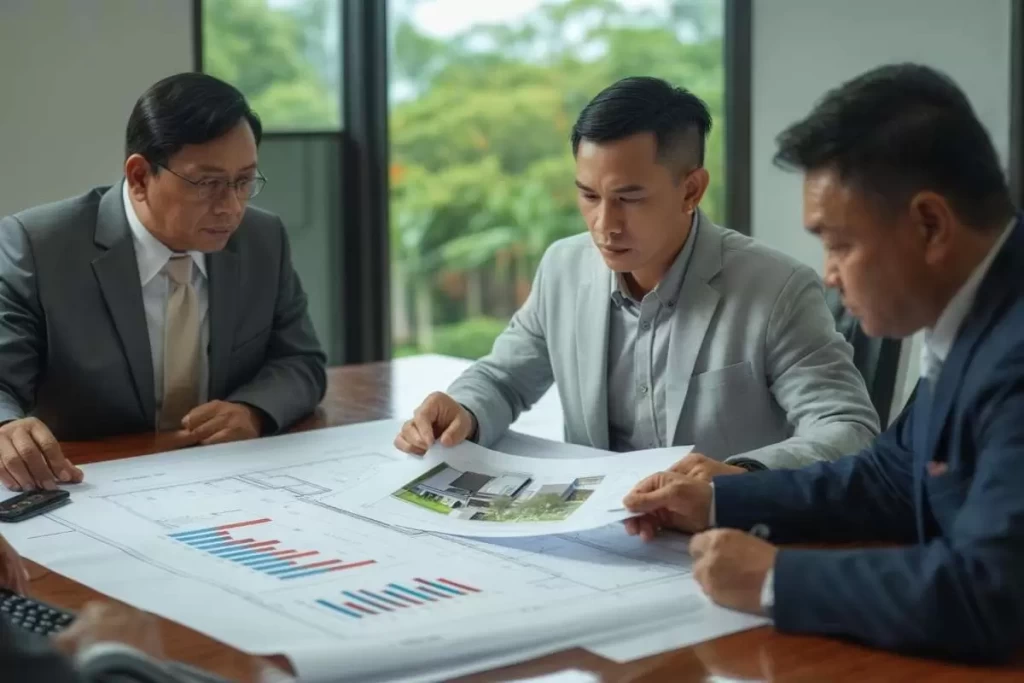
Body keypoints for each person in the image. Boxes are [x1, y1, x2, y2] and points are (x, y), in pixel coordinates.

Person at [622, 63, 1024, 661]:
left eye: (840, 244)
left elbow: (992, 596)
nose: (830, 276)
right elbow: (892, 478)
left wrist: (774, 579)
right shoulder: (976, 315)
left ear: (930, 224)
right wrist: (718, 502)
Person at [395, 76, 879, 474]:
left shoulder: (777, 289)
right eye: (588, 195)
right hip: (597, 537)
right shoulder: (564, 269)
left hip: (717, 537)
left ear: (691, 189)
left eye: (629, 198)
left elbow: (847, 426)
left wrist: (741, 476)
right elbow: (504, 380)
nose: (605, 224)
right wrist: (464, 409)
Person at [0, 73, 327, 492]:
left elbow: (301, 362)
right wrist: (8, 426)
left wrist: (252, 410)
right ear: (139, 177)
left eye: (244, 181)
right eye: (207, 183)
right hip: (96, 485)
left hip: (229, 482)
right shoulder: (40, 247)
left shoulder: (263, 240)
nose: (231, 207)